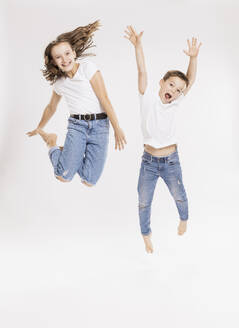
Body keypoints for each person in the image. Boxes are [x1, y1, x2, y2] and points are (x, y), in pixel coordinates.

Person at [124, 25, 201, 253]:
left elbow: (191, 80)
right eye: (171, 86)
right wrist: (138, 46)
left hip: (170, 161)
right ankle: (146, 234)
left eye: (179, 90)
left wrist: (193, 59)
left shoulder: (175, 103)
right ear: (162, 82)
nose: (174, 92)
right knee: (143, 201)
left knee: (180, 195)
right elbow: (142, 72)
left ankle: (184, 218)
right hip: (148, 162)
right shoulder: (146, 97)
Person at [27, 20, 126, 186]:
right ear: (53, 61)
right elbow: (51, 107)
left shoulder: (87, 68)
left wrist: (117, 128)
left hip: (100, 126)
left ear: (74, 53)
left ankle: (69, 154)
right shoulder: (59, 83)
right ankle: (52, 143)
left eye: (67, 54)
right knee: (62, 176)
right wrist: (40, 127)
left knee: (89, 180)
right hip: (77, 126)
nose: (64, 59)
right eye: (58, 57)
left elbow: (104, 99)